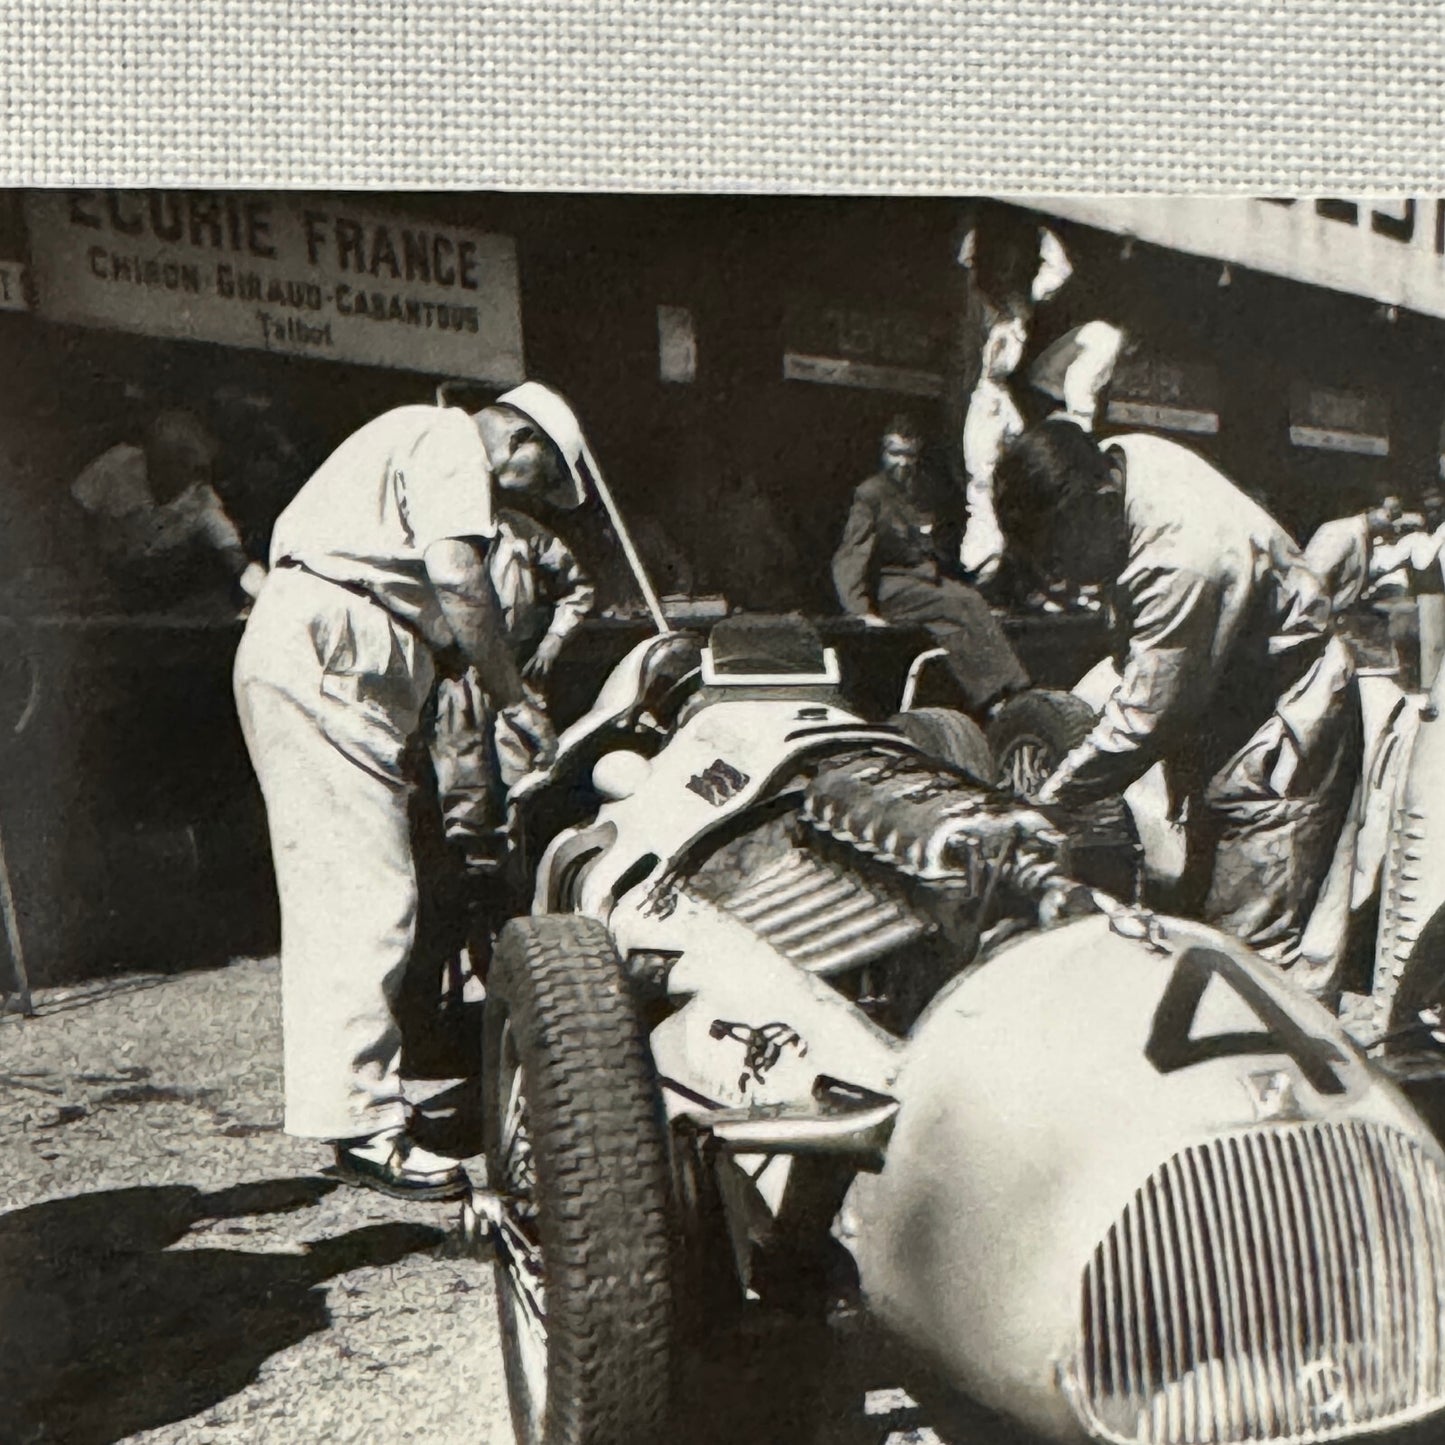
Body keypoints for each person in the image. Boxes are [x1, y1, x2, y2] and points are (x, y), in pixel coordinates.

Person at [233, 381, 594, 1199]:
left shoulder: (412, 436)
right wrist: (515, 699)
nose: (522, 494)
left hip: (334, 651)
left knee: (359, 883)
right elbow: (458, 575)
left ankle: (360, 1106)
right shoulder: (449, 439)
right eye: (536, 478)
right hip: (334, 651)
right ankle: (365, 1127)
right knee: (366, 891)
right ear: (520, 436)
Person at [995, 419, 1362, 974]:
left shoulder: (1179, 559)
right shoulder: (1125, 458)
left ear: (1098, 504)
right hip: (1231, 700)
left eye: (1058, 554)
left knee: (1251, 956)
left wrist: (1047, 804)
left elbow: (1147, 717)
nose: (1061, 576)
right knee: (1199, 912)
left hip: (1283, 722)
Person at [832, 416, 1030, 719]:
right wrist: (859, 612)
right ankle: (1012, 689)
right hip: (894, 587)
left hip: (927, 583)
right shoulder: (870, 495)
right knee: (964, 602)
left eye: (909, 455)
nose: (902, 463)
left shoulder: (923, 490)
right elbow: (851, 555)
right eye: (894, 453)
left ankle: (996, 699)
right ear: (882, 453)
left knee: (953, 620)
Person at [72, 409, 267, 608]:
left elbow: (232, 551)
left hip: (162, 591)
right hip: (95, 581)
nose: (163, 471)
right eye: (158, 461)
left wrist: (260, 589)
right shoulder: (115, 465)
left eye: (178, 465)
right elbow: (71, 511)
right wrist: (83, 568)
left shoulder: (202, 500)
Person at [1303, 493, 1403, 614]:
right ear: (1373, 508)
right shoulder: (1341, 531)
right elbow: (1315, 576)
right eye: (1390, 515)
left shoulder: (1367, 539)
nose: (1393, 526)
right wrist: (1320, 617)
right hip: (1316, 618)